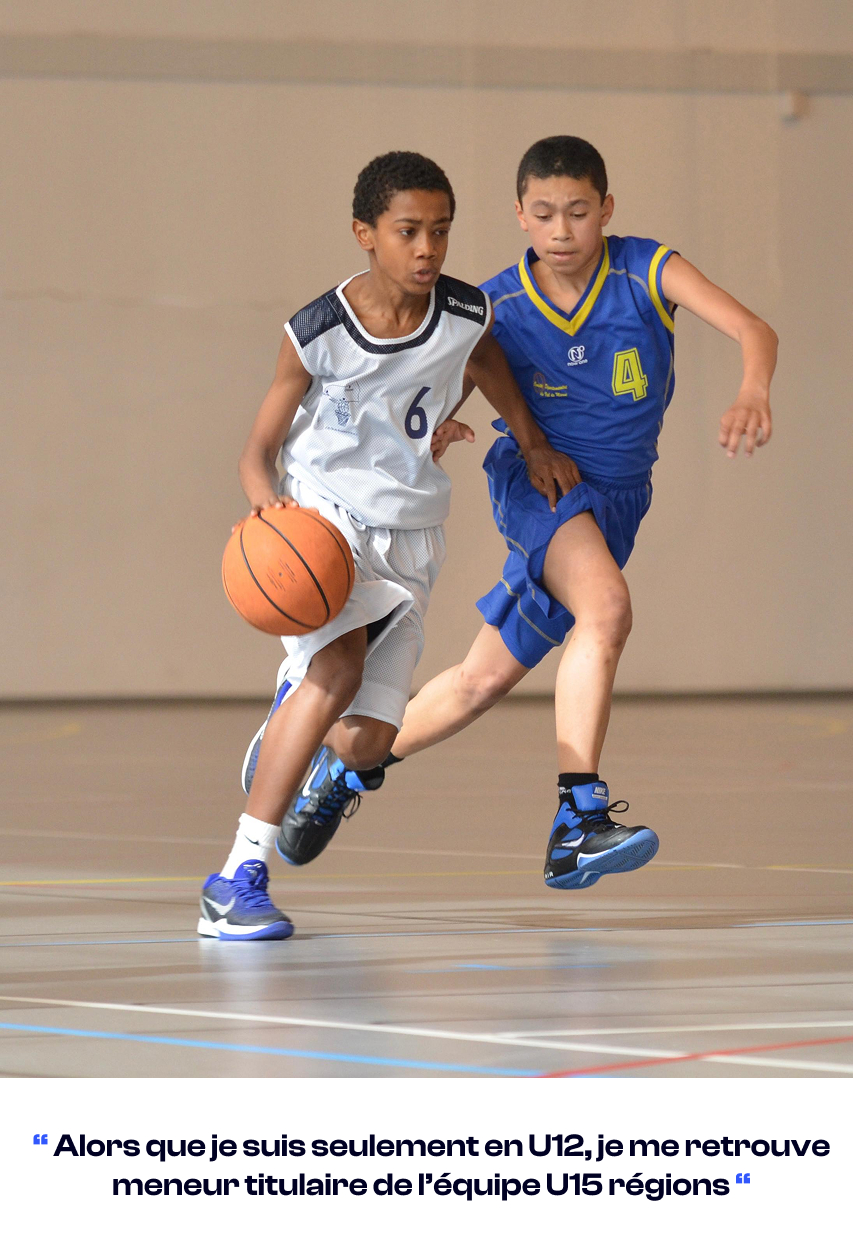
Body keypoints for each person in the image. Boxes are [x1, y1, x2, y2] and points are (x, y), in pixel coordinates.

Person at [282, 134, 777, 892]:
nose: (561, 230)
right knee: (606, 608)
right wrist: (437, 424)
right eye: (543, 214)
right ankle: (578, 818)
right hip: (539, 481)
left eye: (578, 212)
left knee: (479, 681)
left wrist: (751, 390)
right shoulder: (498, 305)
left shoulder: (648, 269)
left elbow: (754, 328)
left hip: (617, 501)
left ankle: (346, 766)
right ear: (519, 215)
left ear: (606, 210)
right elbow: (447, 379)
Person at [199, 150, 582, 940]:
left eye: (440, 231)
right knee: (337, 667)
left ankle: (292, 722)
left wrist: (532, 440)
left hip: (411, 534)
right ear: (365, 233)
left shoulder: (464, 313)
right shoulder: (317, 331)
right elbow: (256, 451)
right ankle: (235, 878)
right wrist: (267, 510)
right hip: (324, 524)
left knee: (368, 740)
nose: (427, 249)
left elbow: (484, 359)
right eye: (408, 231)